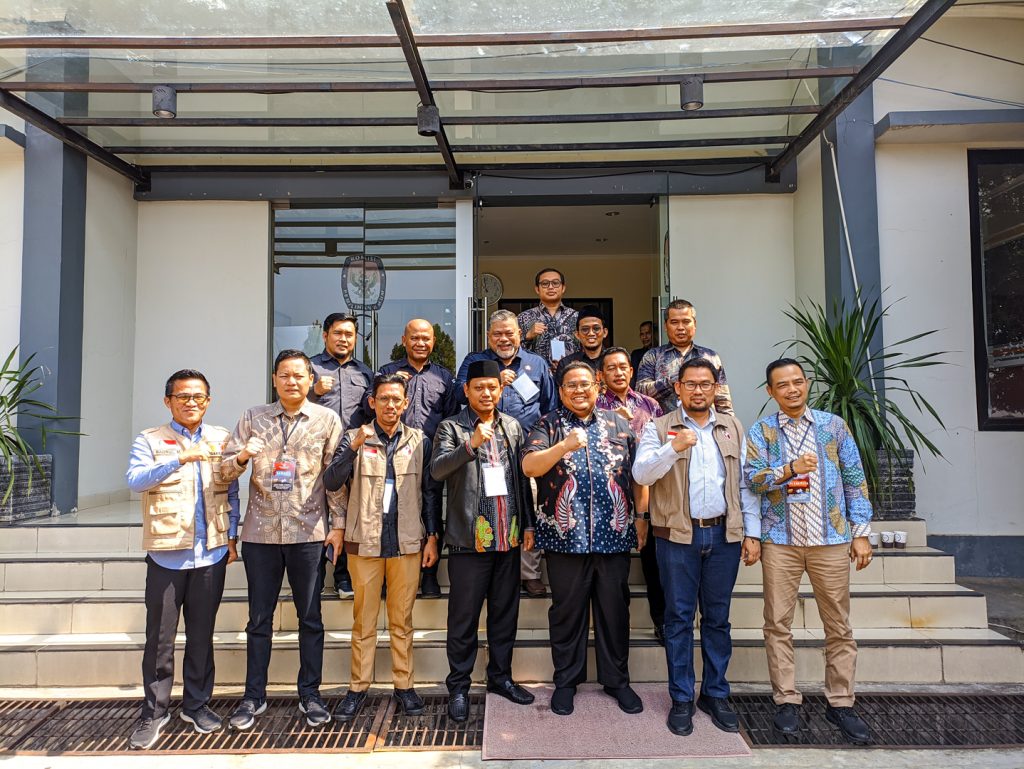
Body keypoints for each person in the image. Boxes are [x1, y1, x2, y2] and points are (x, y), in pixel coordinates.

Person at [745, 358, 874, 745]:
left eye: (798, 381)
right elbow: (753, 479)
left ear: (807, 383)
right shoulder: (762, 430)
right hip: (780, 541)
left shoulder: (834, 426)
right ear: (771, 391)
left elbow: (854, 478)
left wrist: (861, 533)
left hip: (831, 540)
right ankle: (786, 699)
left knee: (838, 625)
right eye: (783, 385)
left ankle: (841, 702)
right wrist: (790, 468)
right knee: (777, 624)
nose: (792, 389)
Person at [632, 358, 762, 737]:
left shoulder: (732, 426)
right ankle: (682, 698)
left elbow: (745, 485)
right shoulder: (659, 427)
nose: (698, 390)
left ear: (715, 388)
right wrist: (673, 448)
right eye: (690, 384)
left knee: (718, 620)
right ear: (678, 388)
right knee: (678, 620)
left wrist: (751, 533)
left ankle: (715, 694)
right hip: (677, 537)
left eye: (706, 384)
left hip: (723, 537)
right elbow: (641, 473)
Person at [220, 349, 344, 731]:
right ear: (274, 379)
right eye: (284, 375)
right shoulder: (252, 417)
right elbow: (224, 472)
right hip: (261, 534)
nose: (292, 381)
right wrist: (243, 457)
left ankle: (311, 694)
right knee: (259, 619)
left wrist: (338, 525)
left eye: (299, 375)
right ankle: (253, 696)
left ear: (311, 380)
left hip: (308, 532)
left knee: (311, 617)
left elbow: (335, 478)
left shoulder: (327, 419)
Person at [522, 361, 646, 718]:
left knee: (614, 611)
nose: (579, 391)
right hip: (565, 539)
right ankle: (566, 681)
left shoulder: (619, 424)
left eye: (585, 384)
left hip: (614, 535)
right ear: (561, 392)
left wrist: (642, 518)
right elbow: (530, 466)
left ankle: (617, 681)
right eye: (571, 385)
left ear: (598, 387)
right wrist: (563, 446)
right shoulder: (548, 424)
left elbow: (639, 475)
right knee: (567, 613)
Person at [125, 369, 240, 749]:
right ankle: (154, 712)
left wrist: (232, 536)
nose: (191, 402)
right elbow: (136, 480)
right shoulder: (150, 439)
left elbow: (231, 490)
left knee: (202, 636)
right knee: (160, 640)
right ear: (168, 400)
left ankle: (197, 705)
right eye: (183, 396)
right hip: (167, 556)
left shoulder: (221, 438)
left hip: (211, 554)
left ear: (208, 401)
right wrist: (179, 458)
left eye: (198, 397)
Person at [323, 373, 441, 722]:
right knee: (364, 621)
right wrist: (354, 447)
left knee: (402, 620)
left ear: (406, 404)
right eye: (384, 399)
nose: (391, 405)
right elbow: (331, 481)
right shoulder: (354, 437)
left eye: (396, 400)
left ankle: (405, 686)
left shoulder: (420, 440)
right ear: (372, 402)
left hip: (407, 542)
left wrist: (432, 536)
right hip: (365, 544)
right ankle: (357, 688)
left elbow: (430, 491)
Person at [431, 359, 537, 723]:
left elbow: (522, 479)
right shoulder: (451, 426)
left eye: (492, 387)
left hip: (508, 538)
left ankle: (500, 678)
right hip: (469, 540)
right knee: (463, 619)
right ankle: (459, 686)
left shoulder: (512, 426)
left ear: (501, 389)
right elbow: (438, 470)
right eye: (479, 387)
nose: (486, 393)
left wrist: (529, 524)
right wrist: (470, 444)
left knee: (505, 616)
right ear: (466, 390)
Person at [456, 309, 557, 598]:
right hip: (484, 451)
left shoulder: (536, 364)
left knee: (529, 506)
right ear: (489, 337)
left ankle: (530, 573)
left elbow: (549, 406)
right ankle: (490, 567)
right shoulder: (475, 361)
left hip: (526, 452)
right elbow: (458, 394)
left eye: (509, 333)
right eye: (497, 334)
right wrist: (495, 379)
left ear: (519, 335)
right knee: (493, 505)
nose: (504, 339)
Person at [378, 318, 457, 597]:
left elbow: (450, 417)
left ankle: (429, 575)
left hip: (431, 454)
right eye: (415, 338)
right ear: (404, 340)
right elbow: (370, 404)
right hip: (394, 453)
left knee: (431, 507)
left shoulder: (444, 377)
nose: (420, 343)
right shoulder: (388, 372)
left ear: (433, 341)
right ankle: (387, 573)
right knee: (391, 508)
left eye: (426, 338)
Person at [595, 347, 665, 644]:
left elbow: (662, 446)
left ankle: (662, 621)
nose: (618, 372)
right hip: (611, 493)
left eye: (623, 367)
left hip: (650, 492)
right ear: (601, 375)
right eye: (611, 368)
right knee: (613, 571)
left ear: (632, 371)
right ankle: (612, 630)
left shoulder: (650, 405)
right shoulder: (595, 404)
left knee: (655, 563)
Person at [308, 312, 373, 598]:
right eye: (338, 333)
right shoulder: (310, 367)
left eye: (349, 334)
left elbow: (371, 410)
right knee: (316, 510)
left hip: (351, 451)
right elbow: (288, 401)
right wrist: (313, 391)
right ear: (325, 335)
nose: (344, 339)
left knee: (349, 510)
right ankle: (314, 575)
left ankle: (343, 576)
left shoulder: (364, 372)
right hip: (315, 452)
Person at [636, 300, 732, 415]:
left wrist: (729, 423)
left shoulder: (710, 357)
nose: (680, 327)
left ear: (694, 324)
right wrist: (670, 382)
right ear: (665, 326)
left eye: (686, 322)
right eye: (674, 322)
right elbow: (640, 394)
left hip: (704, 424)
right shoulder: (652, 356)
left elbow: (723, 402)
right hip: (663, 424)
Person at [517, 267, 578, 369]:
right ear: (537, 289)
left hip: (570, 373)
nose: (550, 287)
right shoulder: (523, 317)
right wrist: (527, 336)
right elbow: (511, 350)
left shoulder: (576, 317)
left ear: (563, 288)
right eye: (545, 283)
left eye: (555, 283)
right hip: (536, 373)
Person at [553, 305, 609, 383]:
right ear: (577, 335)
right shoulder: (566, 364)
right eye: (585, 329)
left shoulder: (615, 360)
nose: (591, 333)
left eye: (596, 328)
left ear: (605, 332)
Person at [629, 321, 655, 388]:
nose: (645, 337)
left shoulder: (662, 352)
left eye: (648, 333)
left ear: (655, 334)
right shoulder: (636, 355)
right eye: (642, 334)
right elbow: (633, 379)